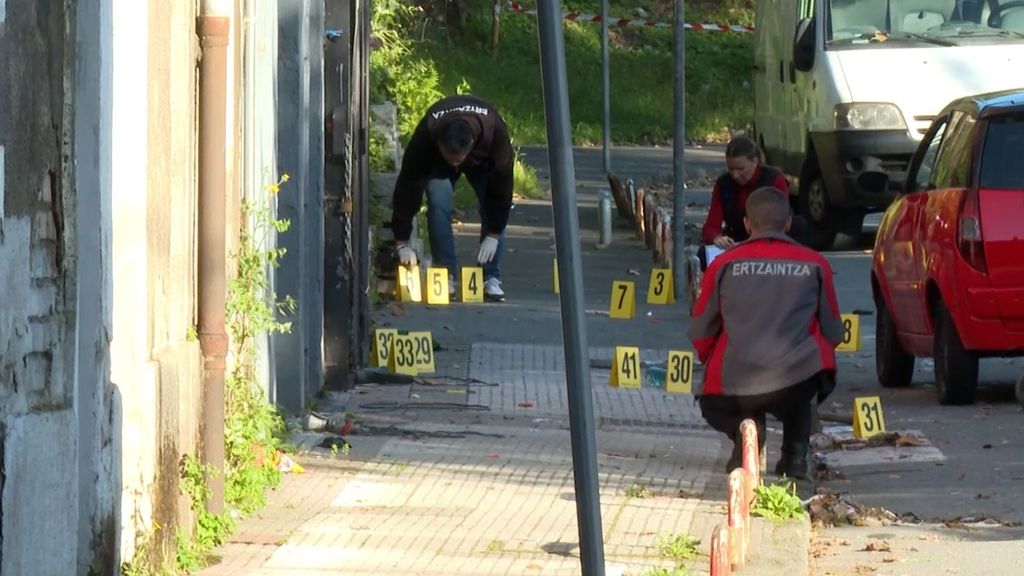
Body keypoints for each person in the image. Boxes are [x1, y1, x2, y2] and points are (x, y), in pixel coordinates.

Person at [688, 186, 843, 479]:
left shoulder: (723, 263)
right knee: (807, 381)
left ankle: (744, 435)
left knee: (713, 399)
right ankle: (796, 452)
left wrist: (714, 357)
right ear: (788, 223)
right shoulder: (815, 264)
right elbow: (833, 330)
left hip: (737, 384)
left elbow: (700, 329)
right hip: (797, 381)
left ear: (747, 223)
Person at [390, 95, 514, 302]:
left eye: (458, 159)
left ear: (471, 144)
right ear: (439, 144)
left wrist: (494, 234)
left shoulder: (495, 133)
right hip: (437, 164)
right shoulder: (427, 133)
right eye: (450, 158)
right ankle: (445, 275)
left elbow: (502, 189)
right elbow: (409, 184)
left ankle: (490, 277)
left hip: (482, 162)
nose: (455, 164)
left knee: (490, 203)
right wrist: (401, 241)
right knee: (438, 203)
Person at [698, 135, 805, 269]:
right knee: (703, 254)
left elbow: (782, 218)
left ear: (755, 161)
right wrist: (716, 238)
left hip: (770, 238)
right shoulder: (724, 184)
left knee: (800, 226)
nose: (735, 175)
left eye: (741, 169)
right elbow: (711, 225)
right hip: (738, 240)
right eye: (731, 169)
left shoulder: (773, 179)